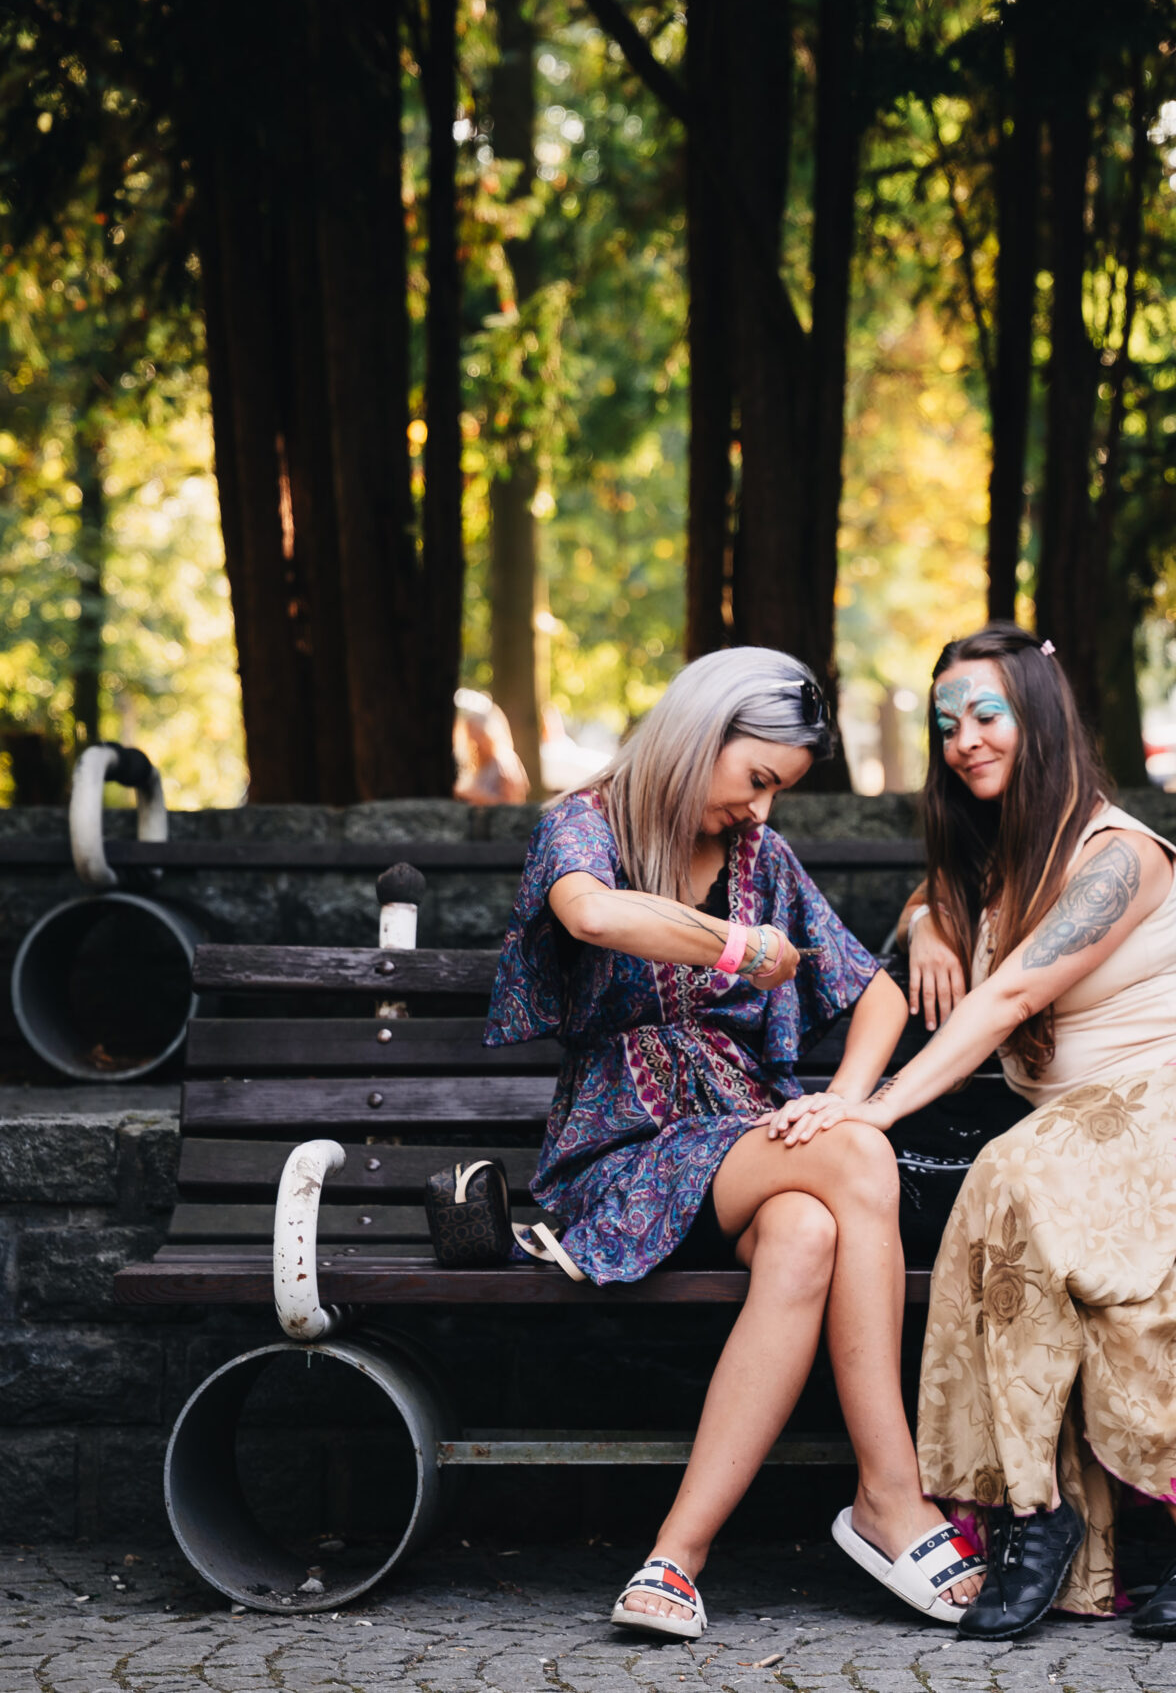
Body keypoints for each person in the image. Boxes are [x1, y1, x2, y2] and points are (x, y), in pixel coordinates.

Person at [759, 622, 1176, 1642]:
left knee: (1005, 1179)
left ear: (1040, 720)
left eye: (987, 714)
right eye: (946, 722)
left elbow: (1010, 996)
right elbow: (943, 916)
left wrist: (874, 1106)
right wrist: (928, 917)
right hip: (1081, 1151)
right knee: (1110, 1281)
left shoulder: (1120, 855)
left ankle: (1029, 1511)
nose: (963, 738)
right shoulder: (993, 871)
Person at [483, 646, 984, 1640]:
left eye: (777, 791)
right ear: (699, 733)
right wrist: (736, 947)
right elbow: (593, 913)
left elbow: (878, 994)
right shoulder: (584, 826)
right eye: (755, 778)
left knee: (806, 1229)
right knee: (856, 1157)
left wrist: (843, 1100)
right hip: (623, 1149)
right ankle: (890, 1491)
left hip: (744, 1137)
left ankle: (675, 1558)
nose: (760, 809)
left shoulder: (762, 859)